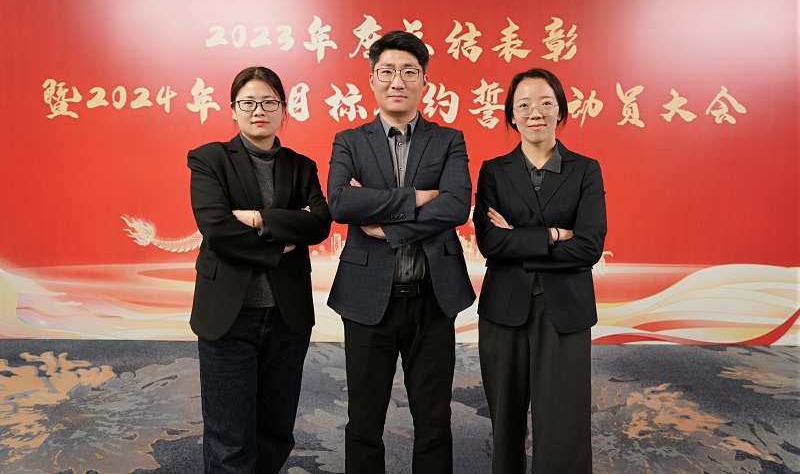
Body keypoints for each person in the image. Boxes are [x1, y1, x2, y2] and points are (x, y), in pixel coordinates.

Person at [327, 30, 476, 473]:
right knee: (364, 420)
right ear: (372, 79)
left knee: (434, 420)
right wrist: (415, 197)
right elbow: (341, 202)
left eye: (409, 72)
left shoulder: (448, 139)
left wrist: (388, 228)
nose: (398, 81)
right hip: (365, 298)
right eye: (387, 71)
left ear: (425, 81)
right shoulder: (350, 140)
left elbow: (456, 204)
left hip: (432, 299)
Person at [187, 66, 331, 473]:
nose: (259, 111)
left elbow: (320, 223)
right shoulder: (209, 159)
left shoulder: (301, 166)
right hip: (229, 316)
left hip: (286, 317)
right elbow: (217, 228)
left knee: (276, 431)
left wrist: (256, 218)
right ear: (233, 109)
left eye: (269, 102)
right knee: (229, 438)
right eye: (248, 102)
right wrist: (281, 239)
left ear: (284, 109)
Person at [474, 68, 607, 473]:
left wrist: (518, 240)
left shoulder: (586, 169)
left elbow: (589, 247)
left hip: (565, 309)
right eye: (524, 105)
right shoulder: (493, 170)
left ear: (560, 110)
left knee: (564, 423)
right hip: (504, 308)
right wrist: (552, 234)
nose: (536, 112)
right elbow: (490, 243)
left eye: (546, 102)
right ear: (511, 115)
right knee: (505, 422)